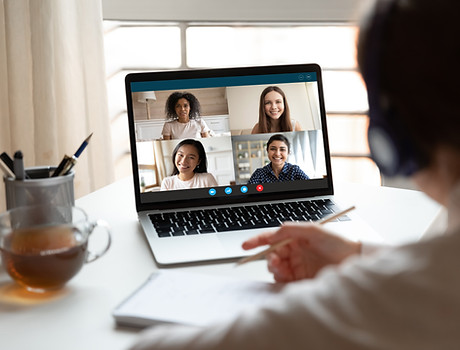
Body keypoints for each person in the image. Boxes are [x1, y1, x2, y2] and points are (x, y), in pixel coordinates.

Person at [130, 0, 460, 349]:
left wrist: (363, 273)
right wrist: (357, 256)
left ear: (392, 133)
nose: (277, 153)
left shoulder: (385, 299)